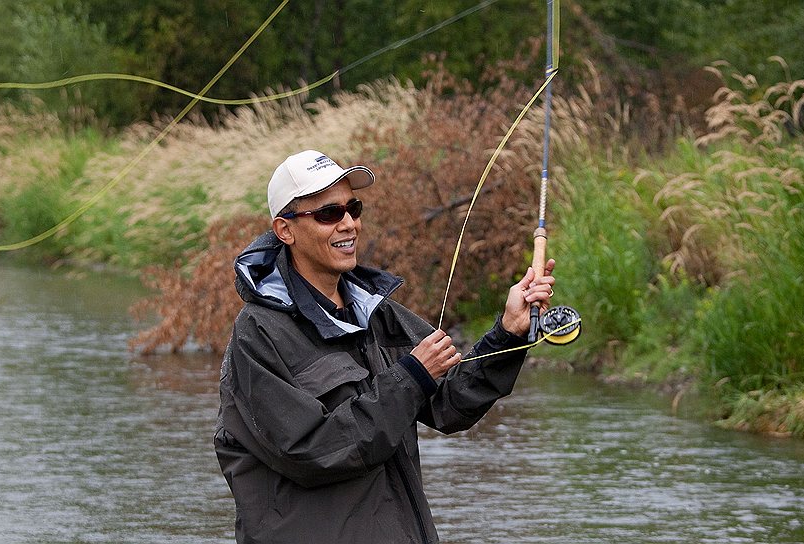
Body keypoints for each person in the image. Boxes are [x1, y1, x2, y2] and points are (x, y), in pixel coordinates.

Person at [214, 149, 555, 543]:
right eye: (328, 214)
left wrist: (508, 334)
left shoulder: (378, 314)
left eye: (353, 209)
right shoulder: (257, 334)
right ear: (285, 230)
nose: (348, 224)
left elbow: (450, 404)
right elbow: (311, 452)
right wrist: (410, 378)